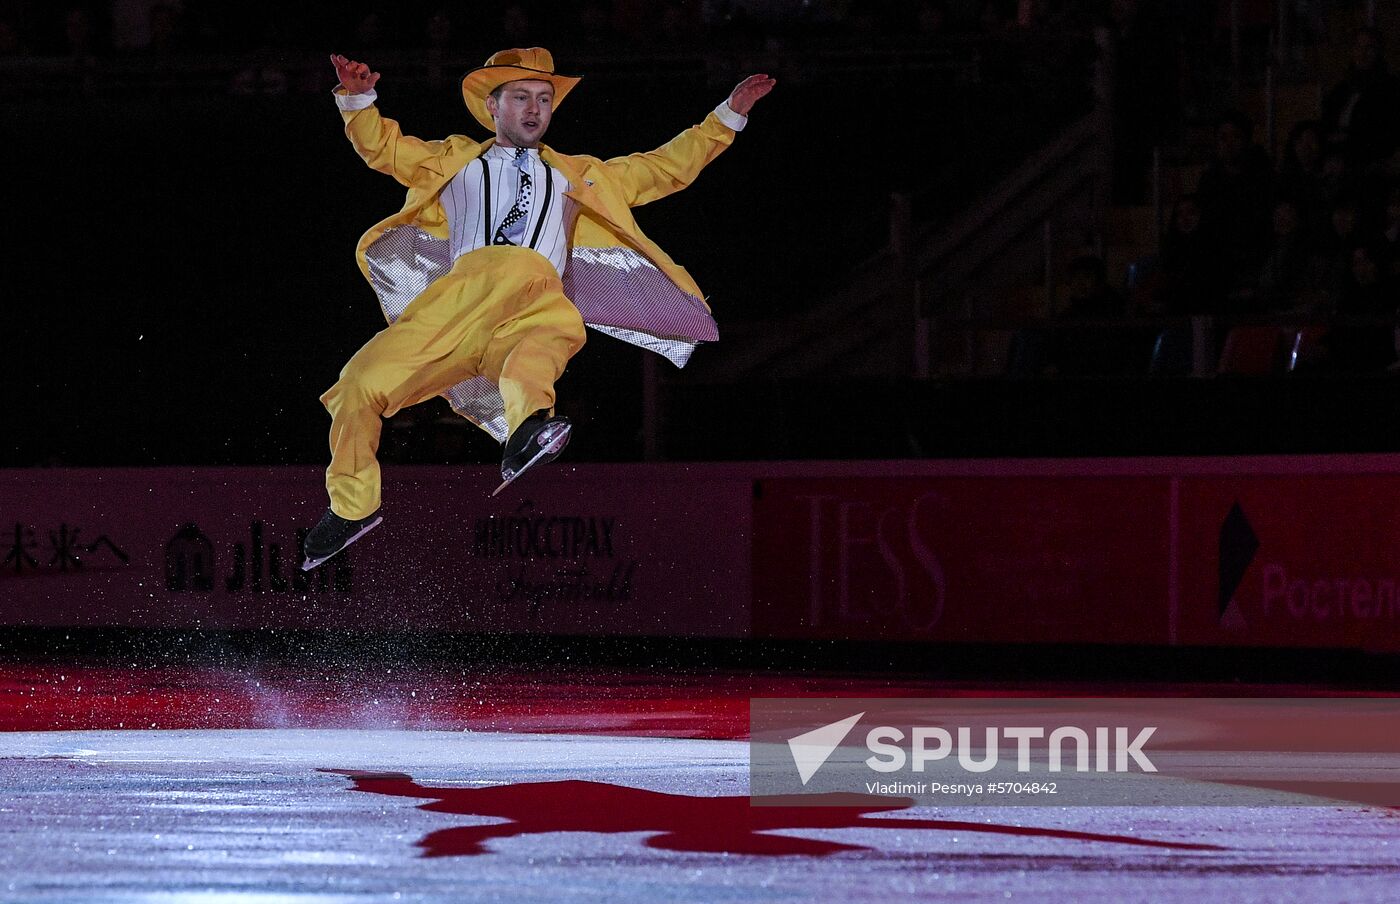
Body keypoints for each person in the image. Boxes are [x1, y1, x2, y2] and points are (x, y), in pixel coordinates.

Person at [302, 48, 775, 568]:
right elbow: (383, 149)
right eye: (522, 98)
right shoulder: (454, 159)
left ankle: (527, 434)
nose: (535, 109)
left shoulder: (582, 174)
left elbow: (664, 168)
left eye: (544, 100)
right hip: (456, 307)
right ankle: (353, 508)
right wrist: (357, 97)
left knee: (537, 356)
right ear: (493, 107)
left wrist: (728, 114)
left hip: (536, 300)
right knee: (356, 385)